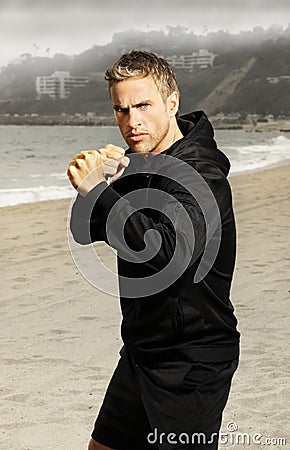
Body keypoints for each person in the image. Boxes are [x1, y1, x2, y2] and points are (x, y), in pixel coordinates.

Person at [67, 50, 240, 450]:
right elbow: (84, 229)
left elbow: (166, 254)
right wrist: (96, 185)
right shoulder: (140, 165)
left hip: (191, 360)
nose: (132, 121)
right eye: (121, 110)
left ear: (172, 102)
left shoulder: (202, 174)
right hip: (142, 351)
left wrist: (99, 193)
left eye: (143, 105)